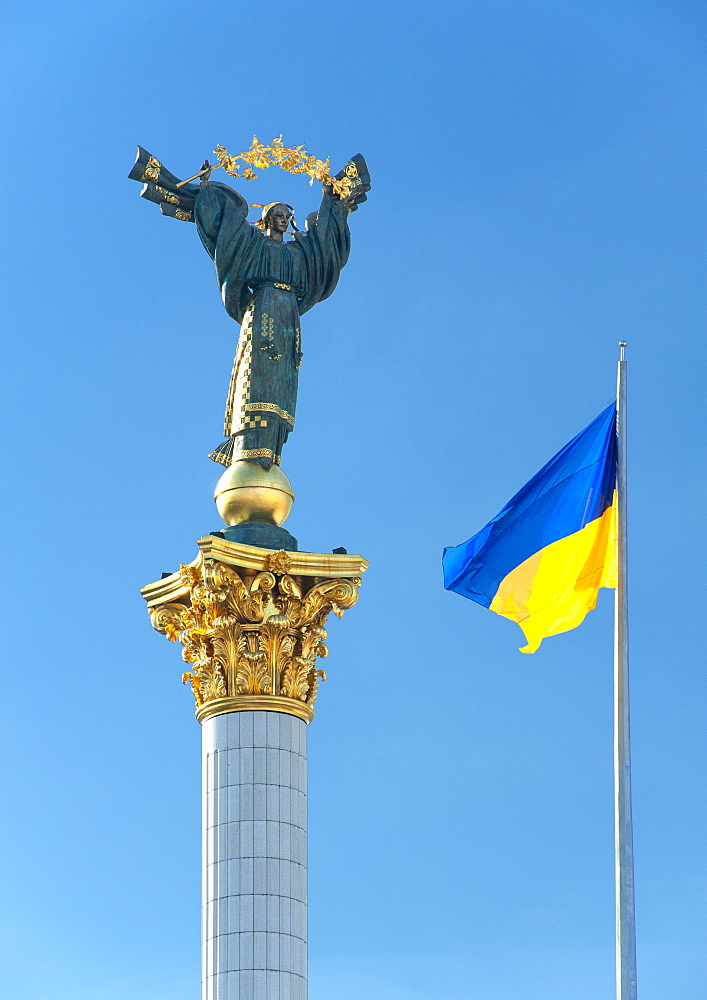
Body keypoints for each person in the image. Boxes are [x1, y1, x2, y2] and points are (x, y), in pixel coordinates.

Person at [128, 147, 370, 469]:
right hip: (263, 309)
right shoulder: (253, 243)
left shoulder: (301, 251)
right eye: (278, 215)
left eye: (287, 216)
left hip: (289, 318)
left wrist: (333, 200)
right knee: (257, 373)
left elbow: (325, 245)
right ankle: (249, 443)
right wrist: (207, 190)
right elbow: (224, 229)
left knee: (283, 377)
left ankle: (272, 445)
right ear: (268, 218)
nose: (284, 220)